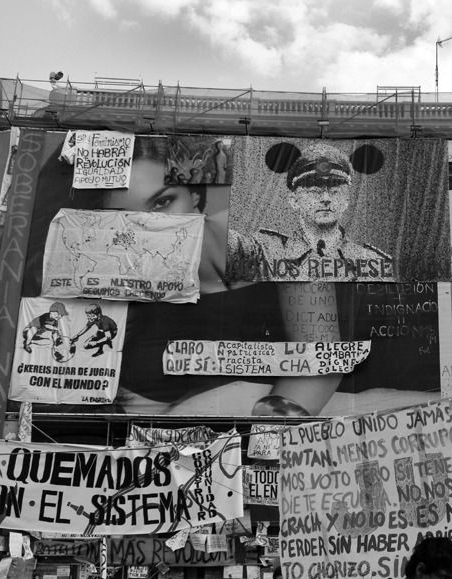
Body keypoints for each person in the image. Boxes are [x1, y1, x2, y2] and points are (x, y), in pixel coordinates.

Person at [93, 137, 345, 416]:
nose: (149, 227)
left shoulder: (278, 237)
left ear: (195, 197)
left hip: (261, 431)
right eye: (125, 218)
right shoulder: (116, 275)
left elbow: (322, 363)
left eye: (162, 202)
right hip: (141, 431)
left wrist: (263, 438)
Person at [227, 142, 394, 282]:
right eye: (314, 191)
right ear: (294, 200)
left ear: (346, 201)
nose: (326, 198)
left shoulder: (370, 261)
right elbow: (219, 241)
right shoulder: (264, 252)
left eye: (335, 191)